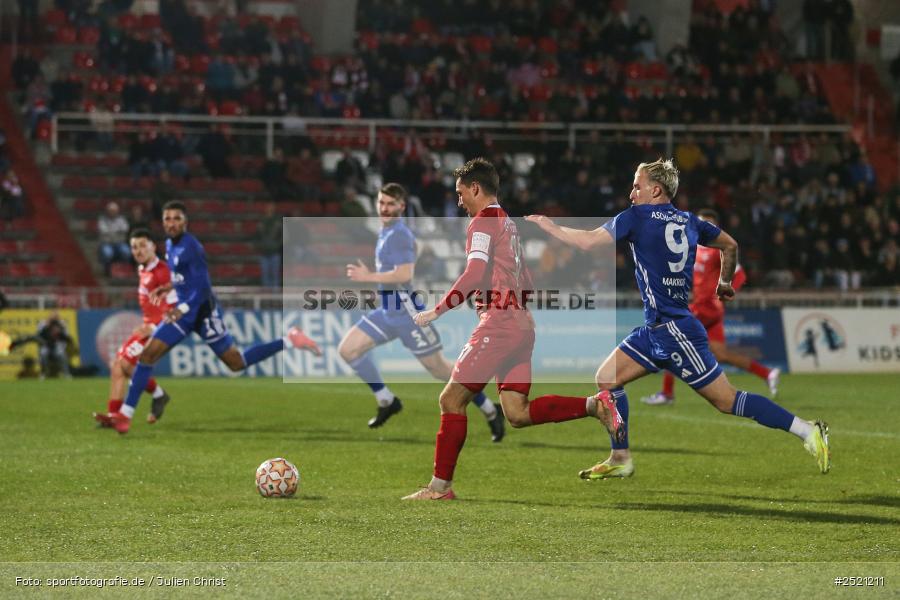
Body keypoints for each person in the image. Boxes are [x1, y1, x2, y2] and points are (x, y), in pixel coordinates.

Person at [527, 158, 830, 480]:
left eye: (636, 185)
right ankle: (620, 457)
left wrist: (550, 227)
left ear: (655, 190)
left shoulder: (637, 217)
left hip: (674, 330)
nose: (631, 193)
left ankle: (808, 431)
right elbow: (730, 244)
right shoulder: (690, 221)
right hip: (656, 328)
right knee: (607, 378)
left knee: (726, 401)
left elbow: (587, 242)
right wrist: (724, 283)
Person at [401, 159, 623, 500]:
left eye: (461, 193)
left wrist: (438, 310)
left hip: (500, 323)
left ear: (475, 188)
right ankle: (595, 405)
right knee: (517, 412)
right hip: (520, 322)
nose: (459, 201)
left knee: (450, 399)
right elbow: (526, 279)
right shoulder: (507, 222)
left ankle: (439, 488)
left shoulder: (483, 222)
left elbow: (475, 274)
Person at [102, 201, 322, 434]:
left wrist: (182, 309)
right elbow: (183, 278)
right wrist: (168, 287)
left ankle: (290, 339)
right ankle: (125, 415)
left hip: (203, 312)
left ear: (185, 222)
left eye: (177, 218)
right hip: (184, 314)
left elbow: (203, 287)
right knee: (147, 356)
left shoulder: (192, 247)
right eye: (168, 219)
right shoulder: (169, 244)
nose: (172, 223)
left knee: (236, 363)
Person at [337, 183, 505, 441]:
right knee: (348, 349)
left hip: (407, 315)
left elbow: (405, 274)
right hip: (387, 311)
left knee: (440, 370)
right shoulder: (386, 231)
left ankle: (489, 409)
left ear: (401, 206)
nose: (385, 208)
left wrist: (368, 276)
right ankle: (386, 400)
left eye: (391, 204)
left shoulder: (400, 235)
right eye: (381, 203)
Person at [642, 208, 781, 405]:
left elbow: (740, 274)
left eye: (708, 224)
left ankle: (667, 393)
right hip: (707, 311)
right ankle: (766, 373)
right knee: (721, 354)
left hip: (706, 308)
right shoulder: (694, 248)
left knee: (671, 340)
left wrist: (726, 292)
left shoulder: (718, 249)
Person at [94, 229, 175, 428]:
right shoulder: (143, 269)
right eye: (134, 247)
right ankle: (114, 415)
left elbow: (173, 305)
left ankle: (158, 395)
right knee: (118, 366)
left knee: (124, 364)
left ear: (153, 247)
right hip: (148, 326)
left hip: (160, 330)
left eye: (142, 245)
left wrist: (155, 327)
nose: (138, 251)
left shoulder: (163, 271)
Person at [10, 312, 74, 378]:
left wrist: (60, 331)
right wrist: (47, 325)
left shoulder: (61, 325)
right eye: (53, 317)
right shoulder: (44, 323)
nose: (54, 319)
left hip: (56, 345)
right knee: (42, 352)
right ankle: (44, 373)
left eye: (56, 317)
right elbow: (39, 334)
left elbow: (67, 338)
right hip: (45, 344)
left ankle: (66, 373)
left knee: (61, 354)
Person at [97, 201, 131, 276]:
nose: (113, 212)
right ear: (107, 211)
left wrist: (111, 231)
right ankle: (107, 271)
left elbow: (125, 229)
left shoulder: (121, 219)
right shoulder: (102, 220)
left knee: (127, 252)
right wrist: (118, 231)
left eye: (114, 210)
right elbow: (103, 231)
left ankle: (123, 271)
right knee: (107, 253)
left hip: (119, 243)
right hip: (107, 243)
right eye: (111, 210)